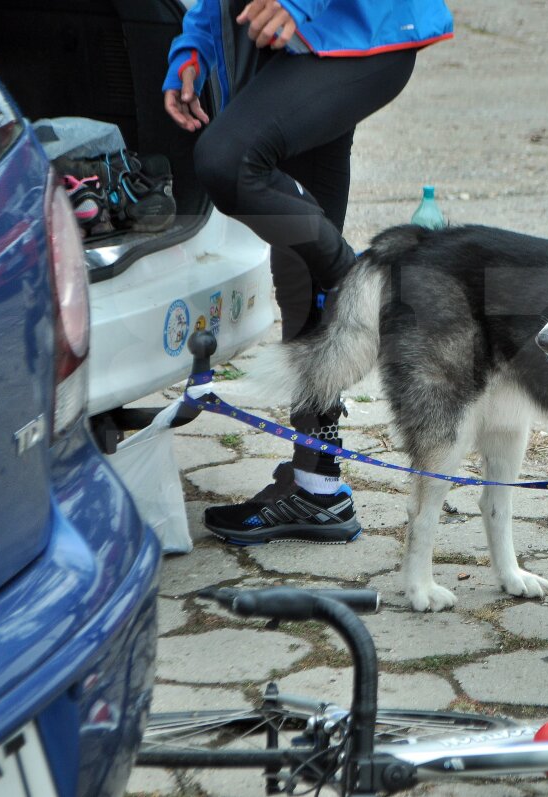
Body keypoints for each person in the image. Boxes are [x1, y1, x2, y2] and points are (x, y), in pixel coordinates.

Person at [162, 0, 453, 545]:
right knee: (302, 270)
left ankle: (367, 288)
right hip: (287, 43)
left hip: (352, 26)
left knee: (228, 160)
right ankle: (317, 488)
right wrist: (193, 50)